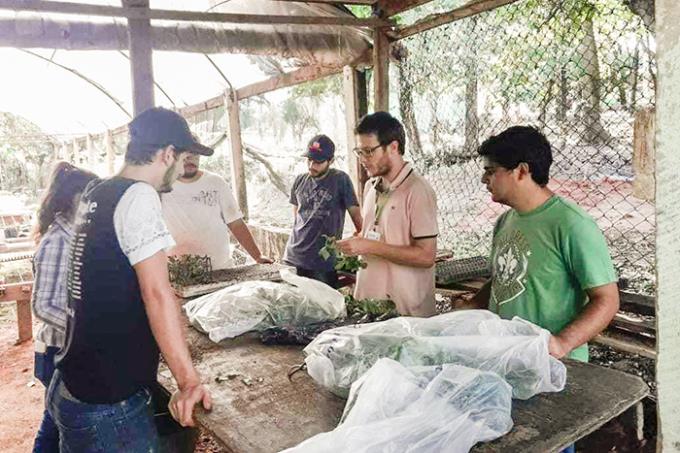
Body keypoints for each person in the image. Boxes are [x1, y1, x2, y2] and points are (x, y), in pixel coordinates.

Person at [48, 107, 213, 452]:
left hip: (73, 379)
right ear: (167, 153)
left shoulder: (98, 191)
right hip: (108, 400)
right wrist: (187, 381)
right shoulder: (138, 195)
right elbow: (156, 292)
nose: (183, 168)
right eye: (182, 158)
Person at [467, 125, 619, 362]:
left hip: (556, 365)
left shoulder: (572, 224)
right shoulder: (505, 221)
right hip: (507, 356)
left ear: (521, 171)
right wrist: (475, 303)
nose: (483, 179)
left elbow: (607, 299)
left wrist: (562, 343)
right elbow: (505, 279)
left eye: (491, 170)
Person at [337, 112, 439, 317]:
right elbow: (377, 234)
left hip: (405, 313)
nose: (363, 160)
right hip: (370, 306)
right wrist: (354, 243)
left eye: (369, 151)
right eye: (359, 152)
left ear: (393, 147)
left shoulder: (417, 190)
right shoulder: (370, 187)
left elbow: (426, 256)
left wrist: (369, 246)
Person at [31, 162, 98, 453]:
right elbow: (43, 305)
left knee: (56, 422)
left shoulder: (75, 235)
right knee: (56, 427)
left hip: (64, 349)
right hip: (56, 352)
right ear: (73, 198)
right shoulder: (58, 240)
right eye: (90, 195)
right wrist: (87, 326)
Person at [161, 151, 271, 269]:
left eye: (195, 153)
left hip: (220, 267)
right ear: (172, 155)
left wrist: (257, 256)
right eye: (184, 153)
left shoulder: (215, 182)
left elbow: (235, 223)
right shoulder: (161, 187)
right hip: (178, 271)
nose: (190, 158)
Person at [283, 134, 362, 288]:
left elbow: (358, 219)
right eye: (309, 160)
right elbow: (297, 218)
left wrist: (365, 244)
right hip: (292, 258)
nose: (312, 165)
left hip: (322, 263)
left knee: (324, 308)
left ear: (330, 161)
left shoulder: (340, 180)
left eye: (318, 162)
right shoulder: (300, 180)